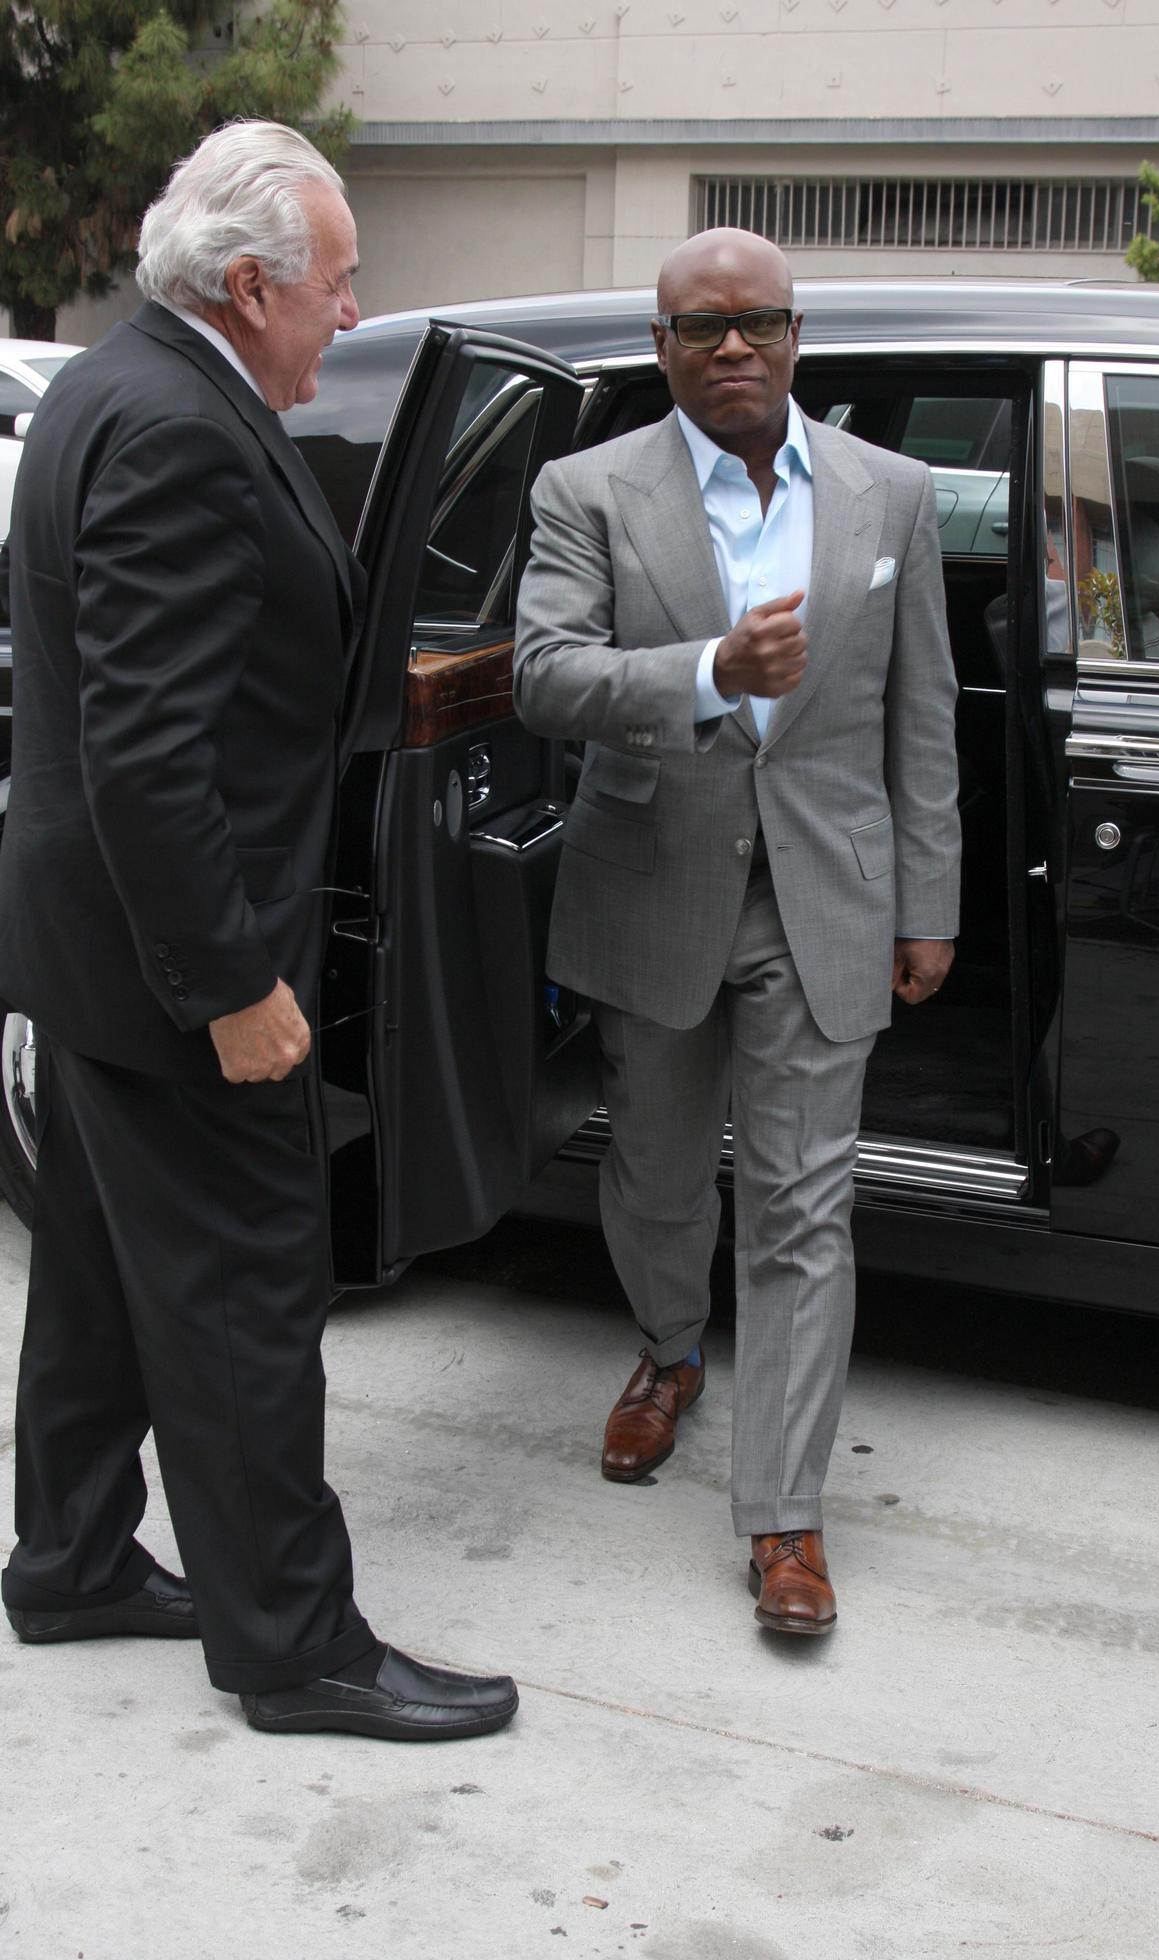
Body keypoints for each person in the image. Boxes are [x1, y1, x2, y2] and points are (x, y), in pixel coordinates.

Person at [0, 121, 517, 1740]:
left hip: (86, 952)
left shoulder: (110, 379)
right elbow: (146, 753)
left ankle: (72, 1557)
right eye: (339, 285)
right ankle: (295, 1646)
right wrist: (233, 984)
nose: (353, 315)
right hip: (174, 967)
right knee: (242, 1295)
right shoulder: (178, 430)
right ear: (249, 286)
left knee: (91, 1266)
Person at [514, 228, 960, 1636]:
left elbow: (922, 714)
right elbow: (542, 678)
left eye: (756, 323)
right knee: (655, 1177)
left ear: (794, 336)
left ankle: (784, 1520)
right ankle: (665, 1349)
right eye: (700, 328)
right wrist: (708, 668)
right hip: (654, 883)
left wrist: (927, 901)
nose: (730, 348)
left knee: (800, 1211)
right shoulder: (587, 488)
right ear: (663, 350)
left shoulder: (890, 495)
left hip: (826, 892)